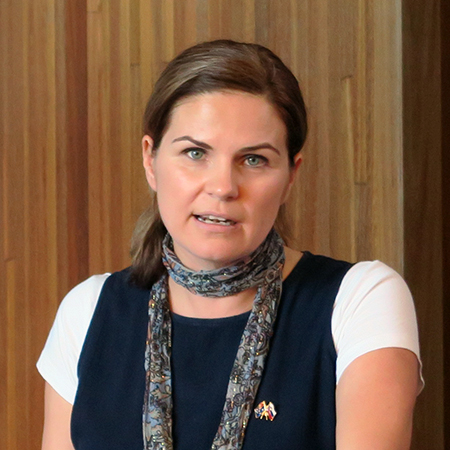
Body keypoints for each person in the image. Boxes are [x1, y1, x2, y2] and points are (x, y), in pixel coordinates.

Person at [38, 40, 422, 450]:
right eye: (195, 153)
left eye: (254, 160)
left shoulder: (360, 299)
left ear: (291, 176)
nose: (223, 187)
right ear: (150, 160)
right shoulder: (88, 311)